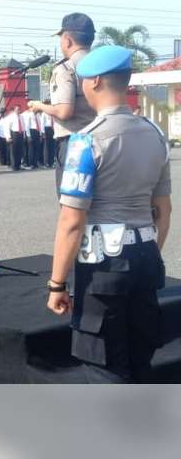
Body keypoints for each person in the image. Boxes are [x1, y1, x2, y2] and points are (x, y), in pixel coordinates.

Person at [46, 45, 172, 383]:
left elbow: (71, 221)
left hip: (104, 267)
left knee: (104, 361)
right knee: (139, 352)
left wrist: (56, 283)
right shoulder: (155, 135)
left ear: (96, 81)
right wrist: (148, 252)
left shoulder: (86, 141)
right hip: (146, 256)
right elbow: (164, 209)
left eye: (85, 80)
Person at [28, 13, 97, 191]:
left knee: (72, 202)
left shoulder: (66, 68)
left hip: (75, 142)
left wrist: (39, 106)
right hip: (102, 139)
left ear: (67, 40)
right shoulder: (101, 65)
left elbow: (64, 111)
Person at [6, 105, 27, 171]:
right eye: (17, 109)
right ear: (14, 110)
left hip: (20, 134)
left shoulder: (21, 116)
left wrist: (24, 135)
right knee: (13, 151)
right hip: (14, 134)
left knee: (19, 151)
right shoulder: (10, 117)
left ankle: (18, 165)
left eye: (19, 109)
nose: (19, 110)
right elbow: (7, 127)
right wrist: (8, 137)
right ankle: (14, 166)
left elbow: (23, 126)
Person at [42, 102, 56, 167]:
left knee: (52, 146)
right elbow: (42, 123)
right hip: (46, 129)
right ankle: (46, 162)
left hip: (52, 129)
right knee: (46, 147)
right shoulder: (44, 113)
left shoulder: (52, 113)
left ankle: (51, 162)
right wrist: (43, 133)